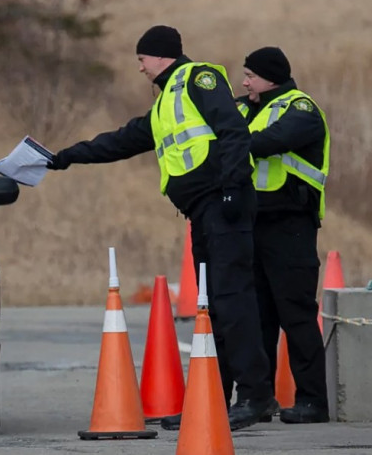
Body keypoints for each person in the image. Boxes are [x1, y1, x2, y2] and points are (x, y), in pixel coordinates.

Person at [45, 25, 276, 431]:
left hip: (223, 205)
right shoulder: (165, 104)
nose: (139, 68)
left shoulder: (198, 78)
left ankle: (256, 396)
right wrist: (62, 157)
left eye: (141, 59)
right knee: (213, 305)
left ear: (159, 56)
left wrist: (234, 190)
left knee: (232, 298)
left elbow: (233, 131)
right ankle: (213, 399)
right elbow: (119, 141)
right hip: (202, 212)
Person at [236, 46, 330, 423]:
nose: (243, 82)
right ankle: (260, 400)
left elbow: (270, 142)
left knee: (297, 316)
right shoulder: (243, 108)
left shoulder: (301, 109)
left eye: (249, 75)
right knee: (258, 317)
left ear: (270, 78)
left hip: (291, 226)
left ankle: (313, 401)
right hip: (253, 224)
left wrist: (228, 142)